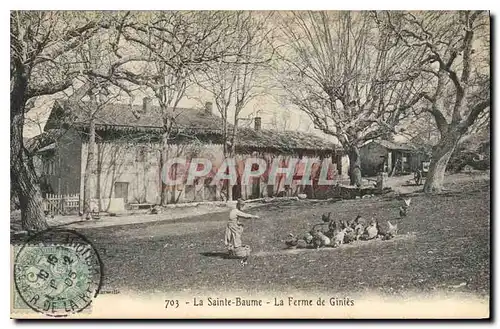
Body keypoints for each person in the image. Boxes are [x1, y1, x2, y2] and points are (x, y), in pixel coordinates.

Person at [224, 199, 259, 265]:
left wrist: (238, 223)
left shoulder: (233, 210)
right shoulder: (236, 211)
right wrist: (254, 216)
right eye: (242, 206)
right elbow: (245, 215)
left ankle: (231, 251)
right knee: (236, 238)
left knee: (231, 238)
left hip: (232, 225)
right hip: (233, 226)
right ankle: (238, 253)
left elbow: (233, 219)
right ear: (240, 206)